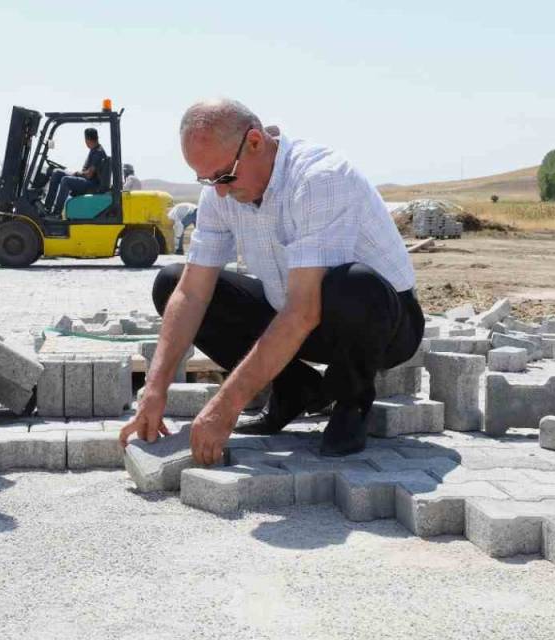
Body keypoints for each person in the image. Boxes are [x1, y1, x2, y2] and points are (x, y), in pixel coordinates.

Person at [119, 98, 423, 460]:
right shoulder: (221, 190)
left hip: (382, 325)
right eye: (207, 179)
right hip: (299, 316)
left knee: (351, 286)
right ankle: (294, 389)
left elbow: (304, 310)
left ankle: (351, 403)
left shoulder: (319, 178)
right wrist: (154, 388)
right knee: (170, 284)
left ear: (255, 143)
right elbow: (192, 292)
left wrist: (225, 406)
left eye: (224, 176)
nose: (218, 190)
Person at [43, 128, 110, 216]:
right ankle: (47, 207)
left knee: (66, 180)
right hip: (87, 180)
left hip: (92, 185)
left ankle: (57, 212)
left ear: (87, 140)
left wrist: (77, 173)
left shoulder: (98, 152)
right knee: (57, 173)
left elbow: (89, 174)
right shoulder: (94, 150)